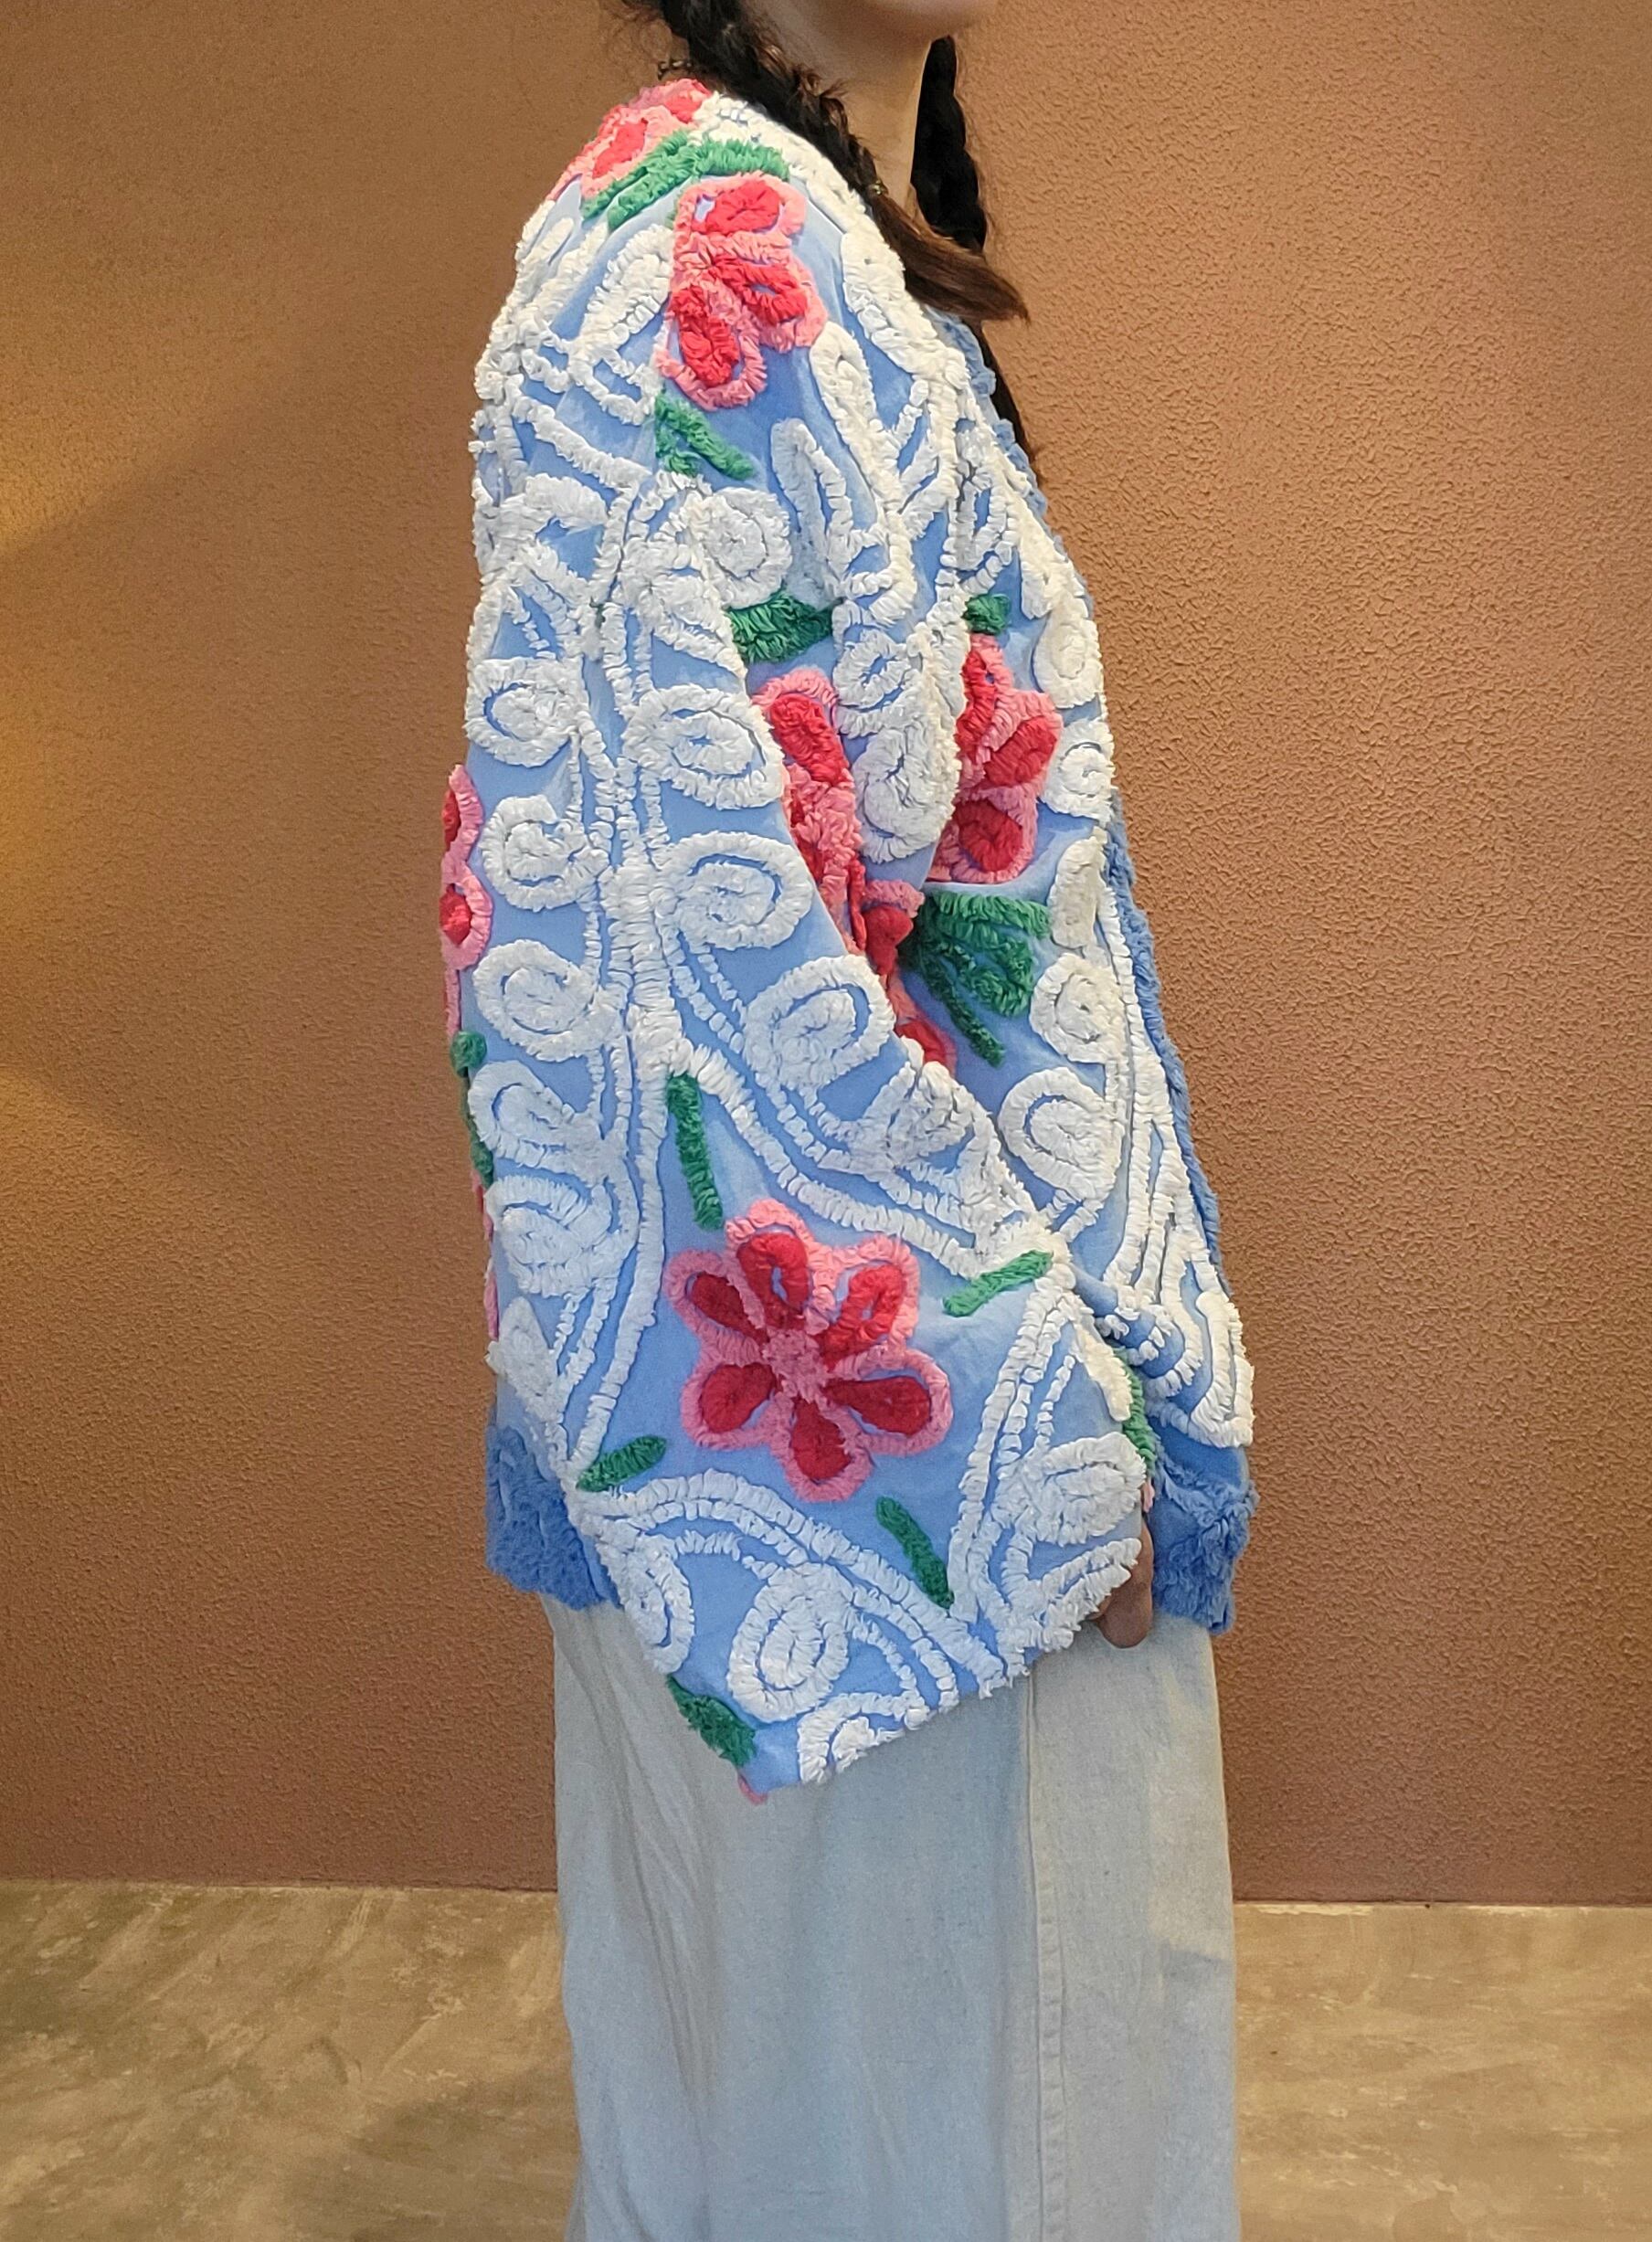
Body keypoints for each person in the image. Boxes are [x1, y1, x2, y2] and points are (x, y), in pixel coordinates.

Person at [442, 2, 1259, 2233]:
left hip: (913, 1482)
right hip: (901, 1500)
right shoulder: (706, 251)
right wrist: (1022, 1448)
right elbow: (634, 944)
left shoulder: (824, 245)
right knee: (922, 2170)